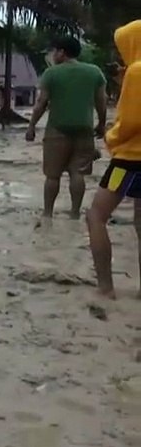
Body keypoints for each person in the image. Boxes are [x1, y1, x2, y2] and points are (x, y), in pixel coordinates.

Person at [85, 20, 141, 299]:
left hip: (130, 160)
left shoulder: (138, 71)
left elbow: (131, 121)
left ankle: (105, 288)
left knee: (96, 215)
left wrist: (110, 137)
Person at [25, 35, 108, 219]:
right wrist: (101, 124)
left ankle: (48, 214)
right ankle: (75, 214)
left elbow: (41, 103)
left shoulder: (51, 73)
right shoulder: (94, 72)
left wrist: (31, 126)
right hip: (84, 129)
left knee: (52, 176)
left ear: (62, 52)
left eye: (54, 51)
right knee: (78, 174)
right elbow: (101, 102)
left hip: (57, 129)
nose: (53, 55)